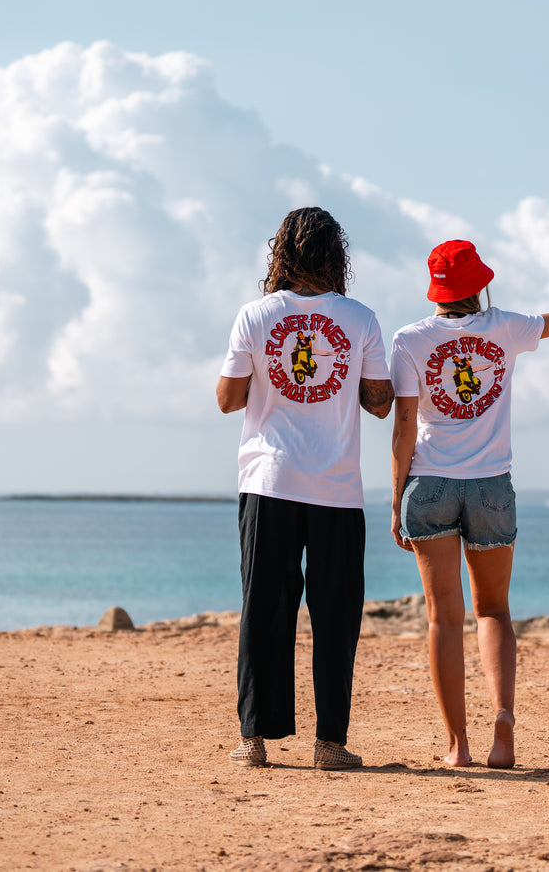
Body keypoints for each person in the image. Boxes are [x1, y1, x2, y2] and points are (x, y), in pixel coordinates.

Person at [389, 239, 549, 768]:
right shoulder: (505, 328)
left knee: (444, 617)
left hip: (431, 483)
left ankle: (457, 746)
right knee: (494, 610)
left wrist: (395, 500)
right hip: (491, 486)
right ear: (479, 284)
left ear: (437, 290)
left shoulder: (410, 340)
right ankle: (503, 721)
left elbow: (402, 427)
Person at [217, 207, 394, 769]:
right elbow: (380, 402)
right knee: (335, 615)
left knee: (263, 608)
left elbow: (226, 399)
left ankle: (253, 742)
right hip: (336, 487)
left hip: (268, 479)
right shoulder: (361, 319)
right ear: (335, 256)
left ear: (282, 253)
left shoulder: (255, 315)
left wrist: (273, 382)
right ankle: (329, 745)